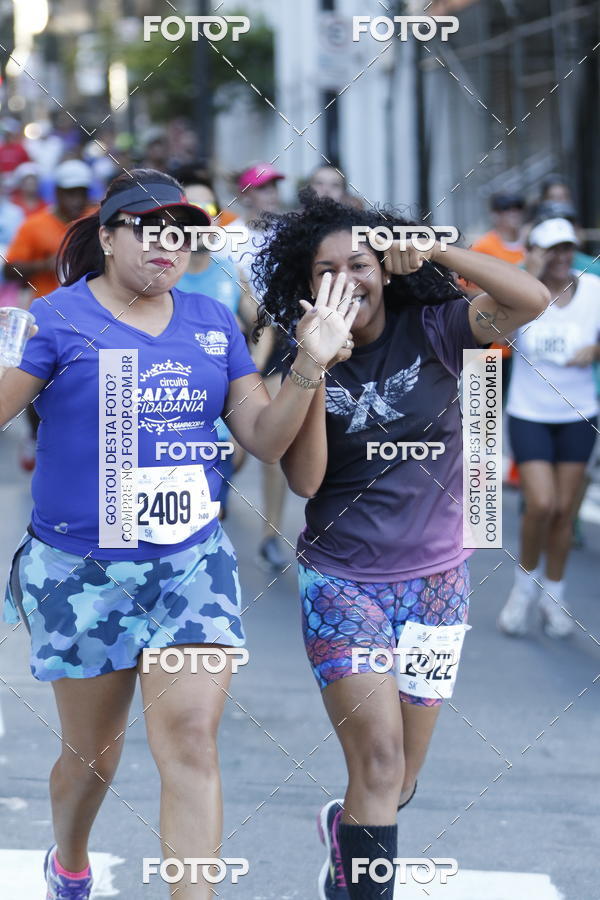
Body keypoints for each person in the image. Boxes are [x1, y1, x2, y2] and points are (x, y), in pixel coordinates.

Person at [0, 169, 355, 900]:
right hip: (81, 570)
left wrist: (308, 365)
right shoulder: (55, 317)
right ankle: (70, 861)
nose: (169, 244)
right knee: (92, 759)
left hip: (190, 565)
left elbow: (264, 439)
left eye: (183, 233)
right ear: (107, 238)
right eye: (150, 229)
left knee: (192, 739)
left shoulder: (211, 320)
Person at [251, 191, 549, 900]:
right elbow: (305, 481)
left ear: (386, 269)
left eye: (360, 263)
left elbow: (531, 299)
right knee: (380, 763)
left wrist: (435, 248)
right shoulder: (301, 361)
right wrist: (316, 365)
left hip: (437, 585)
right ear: (305, 283)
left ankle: (346, 833)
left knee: (401, 779)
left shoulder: (439, 329)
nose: (345, 280)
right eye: (326, 270)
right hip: (343, 583)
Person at [498, 218, 600, 639]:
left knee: (563, 510)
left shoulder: (593, 290)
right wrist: (527, 276)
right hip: (529, 412)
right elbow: (497, 336)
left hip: (579, 413)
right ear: (535, 252)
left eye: (567, 248)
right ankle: (523, 588)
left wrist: (596, 349)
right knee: (540, 504)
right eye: (551, 249)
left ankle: (554, 595)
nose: (561, 257)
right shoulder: (525, 292)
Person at [5, 158, 94, 471]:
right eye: (69, 192)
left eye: (81, 192)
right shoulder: (35, 225)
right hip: (46, 317)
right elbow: (10, 269)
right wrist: (45, 264)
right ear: (56, 192)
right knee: (38, 382)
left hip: (90, 318)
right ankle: (34, 433)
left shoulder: (96, 223)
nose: (76, 199)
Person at [230, 163, 292, 571]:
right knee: (234, 450)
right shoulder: (228, 239)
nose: (269, 195)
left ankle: (271, 534)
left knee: (274, 441)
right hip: (241, 338)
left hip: (282, 338)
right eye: (262, 188)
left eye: (273, 188)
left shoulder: (288, 234)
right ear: (245, 194)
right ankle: (214, 500)